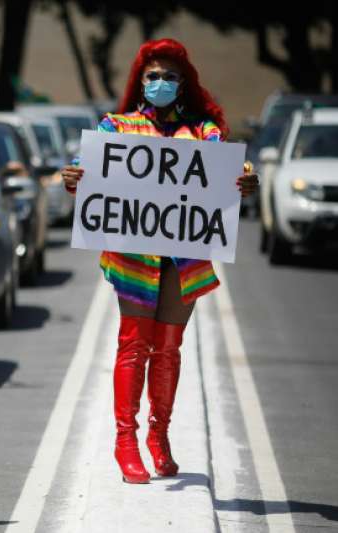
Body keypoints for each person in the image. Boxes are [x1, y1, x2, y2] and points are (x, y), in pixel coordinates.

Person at [61, 39, 259, 484]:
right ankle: (125, 441)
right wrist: (75, 176)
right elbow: (86, 165)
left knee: (168, 349)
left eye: (171, 76)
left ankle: (159, 437)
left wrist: (243, 179)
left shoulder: (203, 131)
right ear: (140, 81)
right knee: (134, 344)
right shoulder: (118, 126)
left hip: (184, 256)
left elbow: (229, 168)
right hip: (133, 256)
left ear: (184, 84)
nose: (161, 83)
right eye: (153, 76)